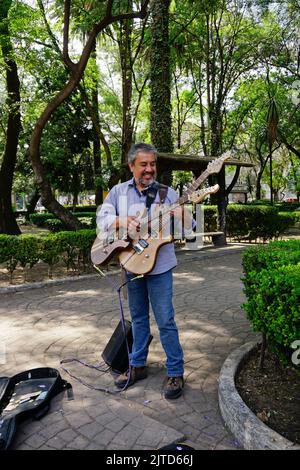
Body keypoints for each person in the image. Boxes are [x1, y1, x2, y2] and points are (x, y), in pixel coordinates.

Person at [97, 142, 194, 399]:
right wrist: (119, 220)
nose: (149, 169)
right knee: (138, 318)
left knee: (165, 320)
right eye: (144, 164)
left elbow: (189, 231)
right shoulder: (118, 192)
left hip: (160, 267)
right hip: (132, 264)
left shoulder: (167, 194)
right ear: (131, 166)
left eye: (152, 164)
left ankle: (175, 371)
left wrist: (185, 215)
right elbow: (101, 219)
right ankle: (137, 366)